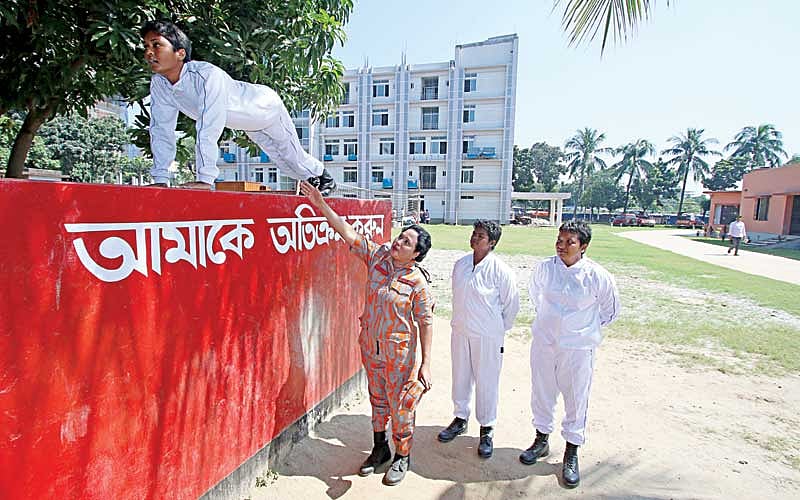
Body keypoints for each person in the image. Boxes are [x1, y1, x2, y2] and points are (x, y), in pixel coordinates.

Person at [299, 181, 434, 486]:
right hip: (370, 347)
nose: (399, 242)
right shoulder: (378, 258)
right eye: (401, 236)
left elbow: (425, 323)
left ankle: (402, 456)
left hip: (398, 353)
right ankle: (380, 448)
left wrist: (425, 363)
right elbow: (347, 232)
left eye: (407, 243)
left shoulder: (417, 283)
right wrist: (321, 204)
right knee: (377, 400)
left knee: (400, 405)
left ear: (415, 255)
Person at [140, 20, 336, 194]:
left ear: (180, 53)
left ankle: (324, 178)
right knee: (280, 160)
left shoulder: (206, 75)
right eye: (146, 46)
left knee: (292, 153)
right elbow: (161, 130)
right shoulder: (160, 84)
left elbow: (209, 127)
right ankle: (313, 180)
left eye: (156, 45)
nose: (149, 53)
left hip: (263, 105)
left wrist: (205, 179)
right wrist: (160, 180)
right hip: (245, 122)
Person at [519, 220, 620, 489]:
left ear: (583, 246)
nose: (561, 246)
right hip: (544, 343)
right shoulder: (545, 269)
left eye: (569, 242)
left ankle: (571, 453)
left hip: (577, 348)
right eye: (559, 240)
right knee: (541, 392)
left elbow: (610, 311)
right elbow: (535, 296)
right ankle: (541, 440)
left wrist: (580, 330)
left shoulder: (597, 276)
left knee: (575, 399)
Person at [437, 220, 519, 459]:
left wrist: (497, 328)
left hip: (488, 336)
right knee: (460, 376)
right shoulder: (460, 264)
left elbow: (511, 305)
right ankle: (460, 418)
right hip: (460, 331)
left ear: (492, 242)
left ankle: (486, 428)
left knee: (487, 381)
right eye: (474, 233)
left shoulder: (501, 271)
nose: (474, 238)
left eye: (480, 236)